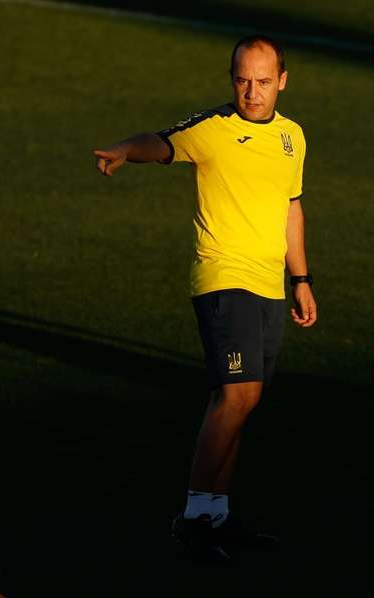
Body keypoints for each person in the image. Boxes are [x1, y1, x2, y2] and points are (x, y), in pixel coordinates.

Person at [93, 35, 317, 561]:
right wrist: (128, 149)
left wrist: (301, 280)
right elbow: (163, 142)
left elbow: (292, 210)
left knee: (247, 398)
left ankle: (216, 514)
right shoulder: (215, 130)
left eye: (263, 81)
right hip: (222, 277)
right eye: (242, 79)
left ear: (281, 81)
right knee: (235, 396)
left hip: (267, 282)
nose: (252, 91)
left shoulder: (293, 138)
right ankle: (194, 517)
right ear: (231, 77)